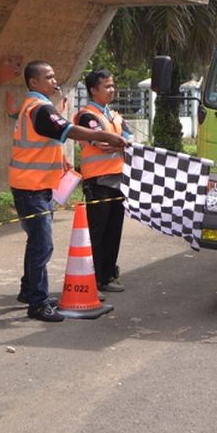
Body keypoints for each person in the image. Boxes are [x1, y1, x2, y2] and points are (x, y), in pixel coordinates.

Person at [10, 61, 126, 322]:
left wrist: (60, 158)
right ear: (33, 83)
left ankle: (30, 291)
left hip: (37, 185)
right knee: (43, 245)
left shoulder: (37, 107)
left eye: (54, 76)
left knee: (37, 242)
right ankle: (38, 304)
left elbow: (50, 138)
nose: (54, 81)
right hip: (31, 186)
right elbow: (68, 130)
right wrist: (108, 138)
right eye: (48, 77)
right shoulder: (40, 109)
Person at [74, 69, 133, 294]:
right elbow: (103, 143)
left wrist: (121, 142)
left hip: (118, 180)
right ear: (93, 90)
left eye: (112, 85)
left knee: (113, 230)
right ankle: (92, 280)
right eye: (107, 86)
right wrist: (122, 143)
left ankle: (106, 276)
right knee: (96, 233)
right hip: (98, 181)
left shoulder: (114, 116)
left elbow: (130, 139)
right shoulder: (87, 116)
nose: (112, 89)